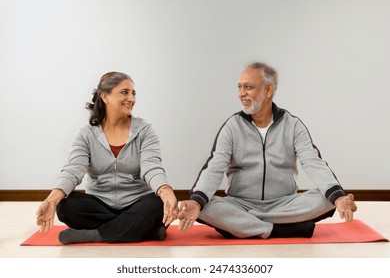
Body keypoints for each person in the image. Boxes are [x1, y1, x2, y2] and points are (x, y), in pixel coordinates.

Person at [178, 62, 357, 239]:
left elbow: (313, 162)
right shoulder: (232, 127)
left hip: (284, 204)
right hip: (241, 204)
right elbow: (214, 167)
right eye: (239, 87)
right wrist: (196, 202)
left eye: (248, 87)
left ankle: (245, 226)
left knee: (328, 197)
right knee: (203, 205)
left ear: (268, 90)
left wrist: (339, 198)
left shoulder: (293, 125)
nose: (241, 94)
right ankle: (277, 229)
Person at [35, 72, 178, 244]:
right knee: (65, 206)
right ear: (105, 96)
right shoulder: (85, 135)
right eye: (124, 92)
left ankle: (97, 234)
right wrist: (51, 200)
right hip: (100, 203)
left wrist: (165, 190)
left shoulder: (145, 131)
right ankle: (143, 230)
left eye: (133, 93)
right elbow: (74, 169)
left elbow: (151, 166)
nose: (131, 98)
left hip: (137, 202)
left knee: (157, 204)